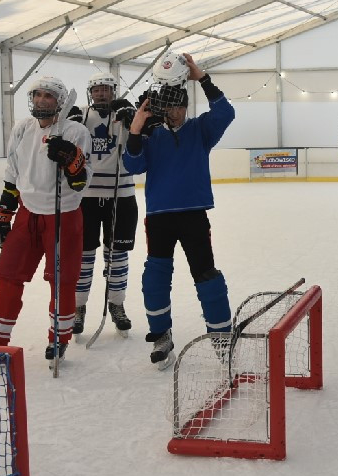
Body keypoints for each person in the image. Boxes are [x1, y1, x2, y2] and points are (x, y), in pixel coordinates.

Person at [122, 52, 235, 369]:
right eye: (168, 105)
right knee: (155, 277)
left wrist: (202, 78)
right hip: (159, 217)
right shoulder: (151, 135)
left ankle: (221, 337)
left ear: (186, 106)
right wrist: (135, 130)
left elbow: (226, 112)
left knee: (206, 275)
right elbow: (133, 164)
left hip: (193, 215)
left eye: (179, 105)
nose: (174, 111)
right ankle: (160, 333)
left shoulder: (201, 130)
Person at [0, 76, 92, 369]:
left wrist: (71, 158)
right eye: (38, 94)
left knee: (62, 280)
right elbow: (12, 173)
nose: (42, 100)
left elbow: (81, 182)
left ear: (59, 102)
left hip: (63, 215)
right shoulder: (21, 129)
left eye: (49, 96)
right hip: (27, 214)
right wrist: (3, 211)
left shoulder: (76, 131)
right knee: (8, 274)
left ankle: (60, 337)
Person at [66, 73, 139, 340]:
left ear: (113, 91)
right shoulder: (81, 116)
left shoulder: (124, 114)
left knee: (117, 254)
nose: (101, 94)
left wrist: (134, 118)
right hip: (84, 197)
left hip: (121, 195)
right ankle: (78, 308)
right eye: (96, 89)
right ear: (90, 92)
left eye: (106, 89)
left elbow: (140, 140)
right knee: (83, 256)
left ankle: (117, 304)